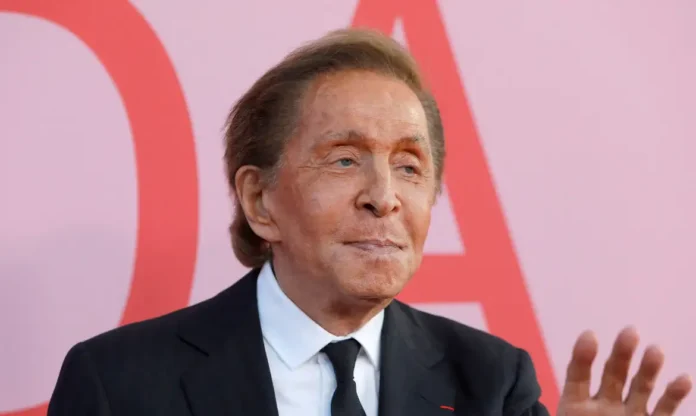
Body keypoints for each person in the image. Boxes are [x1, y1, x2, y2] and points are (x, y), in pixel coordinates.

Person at [47, 28, 691, 416]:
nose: (384, 198)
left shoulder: (493, 384)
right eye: (345, 159)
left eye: (409, 166)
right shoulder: (118, 386)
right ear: (260, 201)